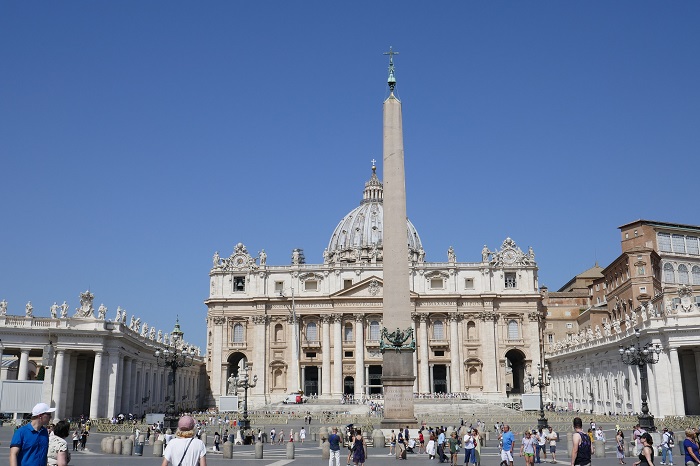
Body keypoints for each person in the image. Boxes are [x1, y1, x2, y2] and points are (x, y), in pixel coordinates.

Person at [9, 402, 56, 466]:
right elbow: (13, 454)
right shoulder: (21, 432)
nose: (50, 417)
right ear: (40, 416)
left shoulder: (45, 432)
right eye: (48, 414)